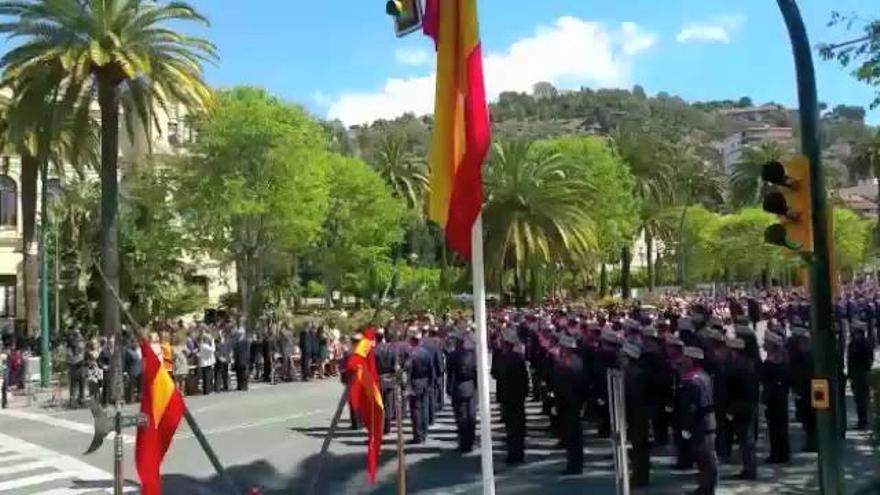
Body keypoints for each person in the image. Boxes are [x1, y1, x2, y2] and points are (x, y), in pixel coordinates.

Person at [679, 346, 718, 495]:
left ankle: (707, 489)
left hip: (700, 424)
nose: (683, 359)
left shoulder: (694, 380)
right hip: (705, 422)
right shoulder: (703, 375)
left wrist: (687, 427)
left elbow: (693, 406)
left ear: (691, 360)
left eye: (686, 357)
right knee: (703, 459)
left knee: (705, 459)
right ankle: (705, 487)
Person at [725, 337, 758, 480]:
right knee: (746, 440)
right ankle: (749, 467)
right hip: (748, 405)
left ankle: (749, 468)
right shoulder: (749, 364)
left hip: (741, 405)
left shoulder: (738, 367)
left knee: (745, 439)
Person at [552, 334, 585, 475]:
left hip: (569, 403)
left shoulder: (569, 364)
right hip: (572, 402)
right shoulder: (574, 361)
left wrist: (558, 403)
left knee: (573, 437)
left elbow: (566, 387)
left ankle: (574, 466)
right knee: (572, 436)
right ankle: (573, 464)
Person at [494, 328, 528, 465]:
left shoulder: (501, 358)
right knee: (517, 427)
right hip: (517, 397)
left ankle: (513, 453)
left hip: (507, 396)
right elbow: (525, 380)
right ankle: (517, 453)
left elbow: (495, 374)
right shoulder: (518, 359)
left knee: (511, 427)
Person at [621, 341, 650, 487]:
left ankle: (640, 477)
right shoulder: (634, 373)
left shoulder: (633, 375)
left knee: (638, 449)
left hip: (636, 417)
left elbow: (633, 397)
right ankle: (640, 475)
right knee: (639, 449)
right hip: (638, 416)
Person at [761, 331, 790, 464]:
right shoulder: (782, 360)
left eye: (766, 342)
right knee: (781, 426)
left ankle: (776, 454)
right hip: (781, 396)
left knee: (775, 427)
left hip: (774, 397)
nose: (764, 344)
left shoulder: (771, 362)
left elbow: (766, 381)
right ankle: (783, 453)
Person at [447, 331, 477, 452]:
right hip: (470, 386)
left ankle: (463, 442)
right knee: (470, 415)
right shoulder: (472, 354)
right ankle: (470, 440)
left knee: (461, 416)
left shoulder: (452, 355)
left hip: (458, 387)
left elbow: (450, 374)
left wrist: (449, 389)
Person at [408, 331, 434, 444]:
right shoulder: (426, 353)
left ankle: (418, 435)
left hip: (415, 383)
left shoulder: (411, 354)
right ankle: (424, 432)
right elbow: (431, 369)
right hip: (425, 382)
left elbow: (408, 371)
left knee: (416, 410)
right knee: (424, 408)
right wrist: (430, 383)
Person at [847, 320, 874, 430]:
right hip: (863, 372)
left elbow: (852, 359)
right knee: (863, 398)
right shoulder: (867, 342)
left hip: (858, 374)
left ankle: (862, 421)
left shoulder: (857, 343)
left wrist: (851, 374)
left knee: (860, 399)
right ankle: (864, 420)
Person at [374, 329, 398, 434]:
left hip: (377, 379)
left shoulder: (373, 350)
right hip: (389, 378)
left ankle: (379, 427)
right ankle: (387, 427)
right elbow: (395, 365)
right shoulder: (391, 350)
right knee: (388, 404)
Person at [66, 329, 85, 407]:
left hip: (78, 367)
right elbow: (70, 359)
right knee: (75, 385)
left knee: (80, 385)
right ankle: (73, 401)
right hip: (75, 367)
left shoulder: (78, 345)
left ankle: (80, 400)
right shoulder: (70, 348)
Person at [123, 336, 142, 404]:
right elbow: (126, 361)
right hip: (131, 370)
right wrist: (125, 371)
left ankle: (139, 397)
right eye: (133, 342)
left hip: (139, 370)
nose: (135, 344)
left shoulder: (139, 350)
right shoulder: (128, 351)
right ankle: (130, 399)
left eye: (136, 342)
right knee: (131, 386)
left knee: (139, 386)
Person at [233, 325, 251, 391]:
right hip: (240, 359)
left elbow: (247, 351)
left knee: (243, 373)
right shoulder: (238, 342)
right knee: (239, 373)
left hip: (243, 359)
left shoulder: (245, 341)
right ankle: (240, 386)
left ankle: (243, 386)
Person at [198, 331, 216, 395]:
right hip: (205, 363)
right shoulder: (204, 345)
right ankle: (207, 391)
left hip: (208, 363)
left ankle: (208, 390)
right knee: (207, 377)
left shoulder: (205, 345)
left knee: (208, 377)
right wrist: (213, 342)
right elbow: (213, 350)